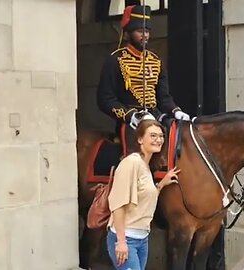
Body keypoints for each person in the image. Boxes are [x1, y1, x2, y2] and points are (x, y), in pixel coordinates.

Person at [96, 4, 190, 131]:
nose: (145, 35)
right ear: (128, 34)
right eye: (140, 31)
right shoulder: (115, 60)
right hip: (131, 122)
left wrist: (175, 110)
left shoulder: (156, 61)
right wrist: (131, 116)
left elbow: (163, 97)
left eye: (147, 31)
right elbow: (105, 99)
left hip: (156, 117)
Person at [106, 116, 180, 270]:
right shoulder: (131, 163)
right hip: (126, 239)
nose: (158, 140)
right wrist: (121, 242)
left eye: (161, 136)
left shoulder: (145, 166)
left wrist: (161, 185)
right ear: (140, 139)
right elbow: (117, 204)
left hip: (142, 239)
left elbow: (145, 198)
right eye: (153, 136)